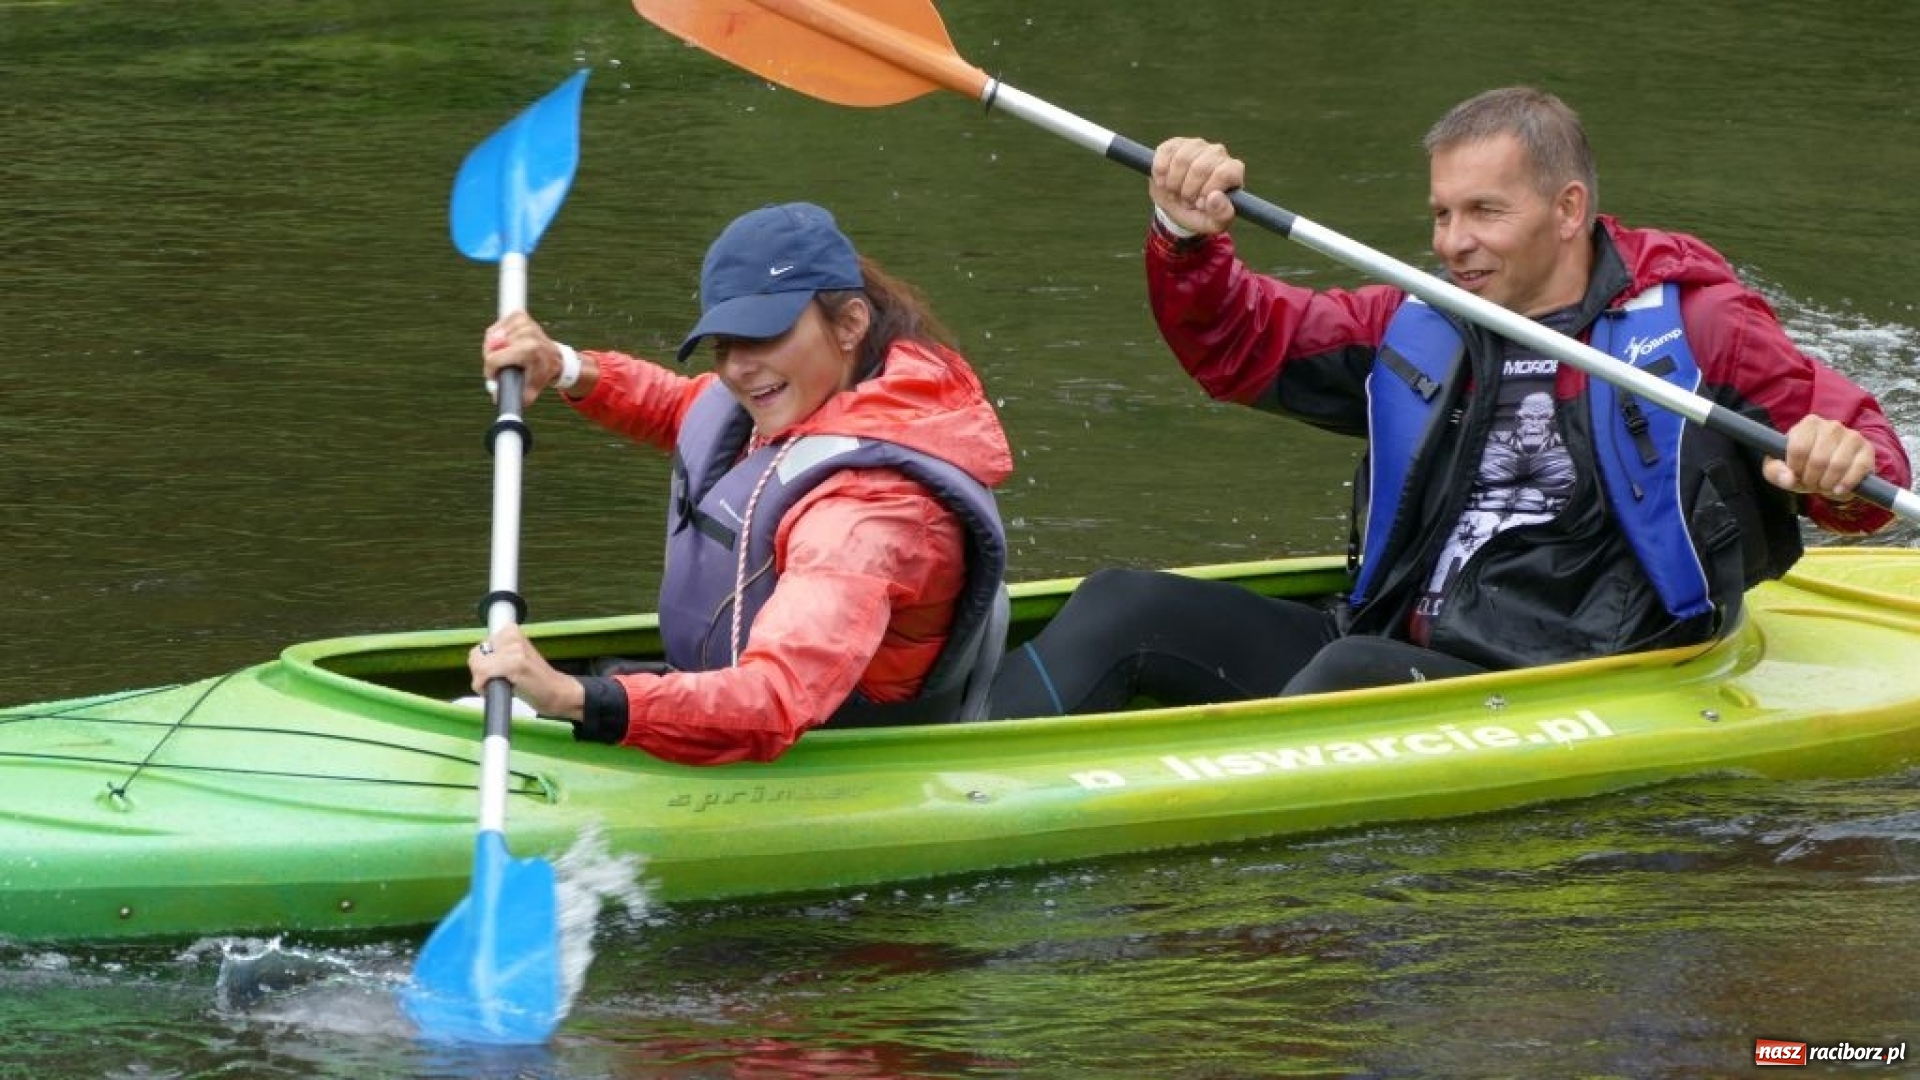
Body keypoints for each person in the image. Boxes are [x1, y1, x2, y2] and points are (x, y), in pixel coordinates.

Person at [988, 86, 1911, 718]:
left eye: (1483, 213)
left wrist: (1835, 468)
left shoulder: (1701, 329)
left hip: (1570, 671)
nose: (1452, 243)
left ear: (1567, 207)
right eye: (1440, 214)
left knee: (1352, 674)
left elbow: (1867, 461)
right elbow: (1242, 347)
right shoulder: (1420, 320)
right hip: (1390, 637)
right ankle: (961, 773)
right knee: (1122, 604)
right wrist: (1185, 238)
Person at [470, 202, 1013, 763]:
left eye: (764, 335)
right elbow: (684, 409)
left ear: (850, 323)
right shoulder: (803, 393)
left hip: (820, 737)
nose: (737, 368)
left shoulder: (870, 516)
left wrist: (572, 697)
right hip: (722, 694)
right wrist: (561, 365)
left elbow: (775, 699)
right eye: (725, 344)